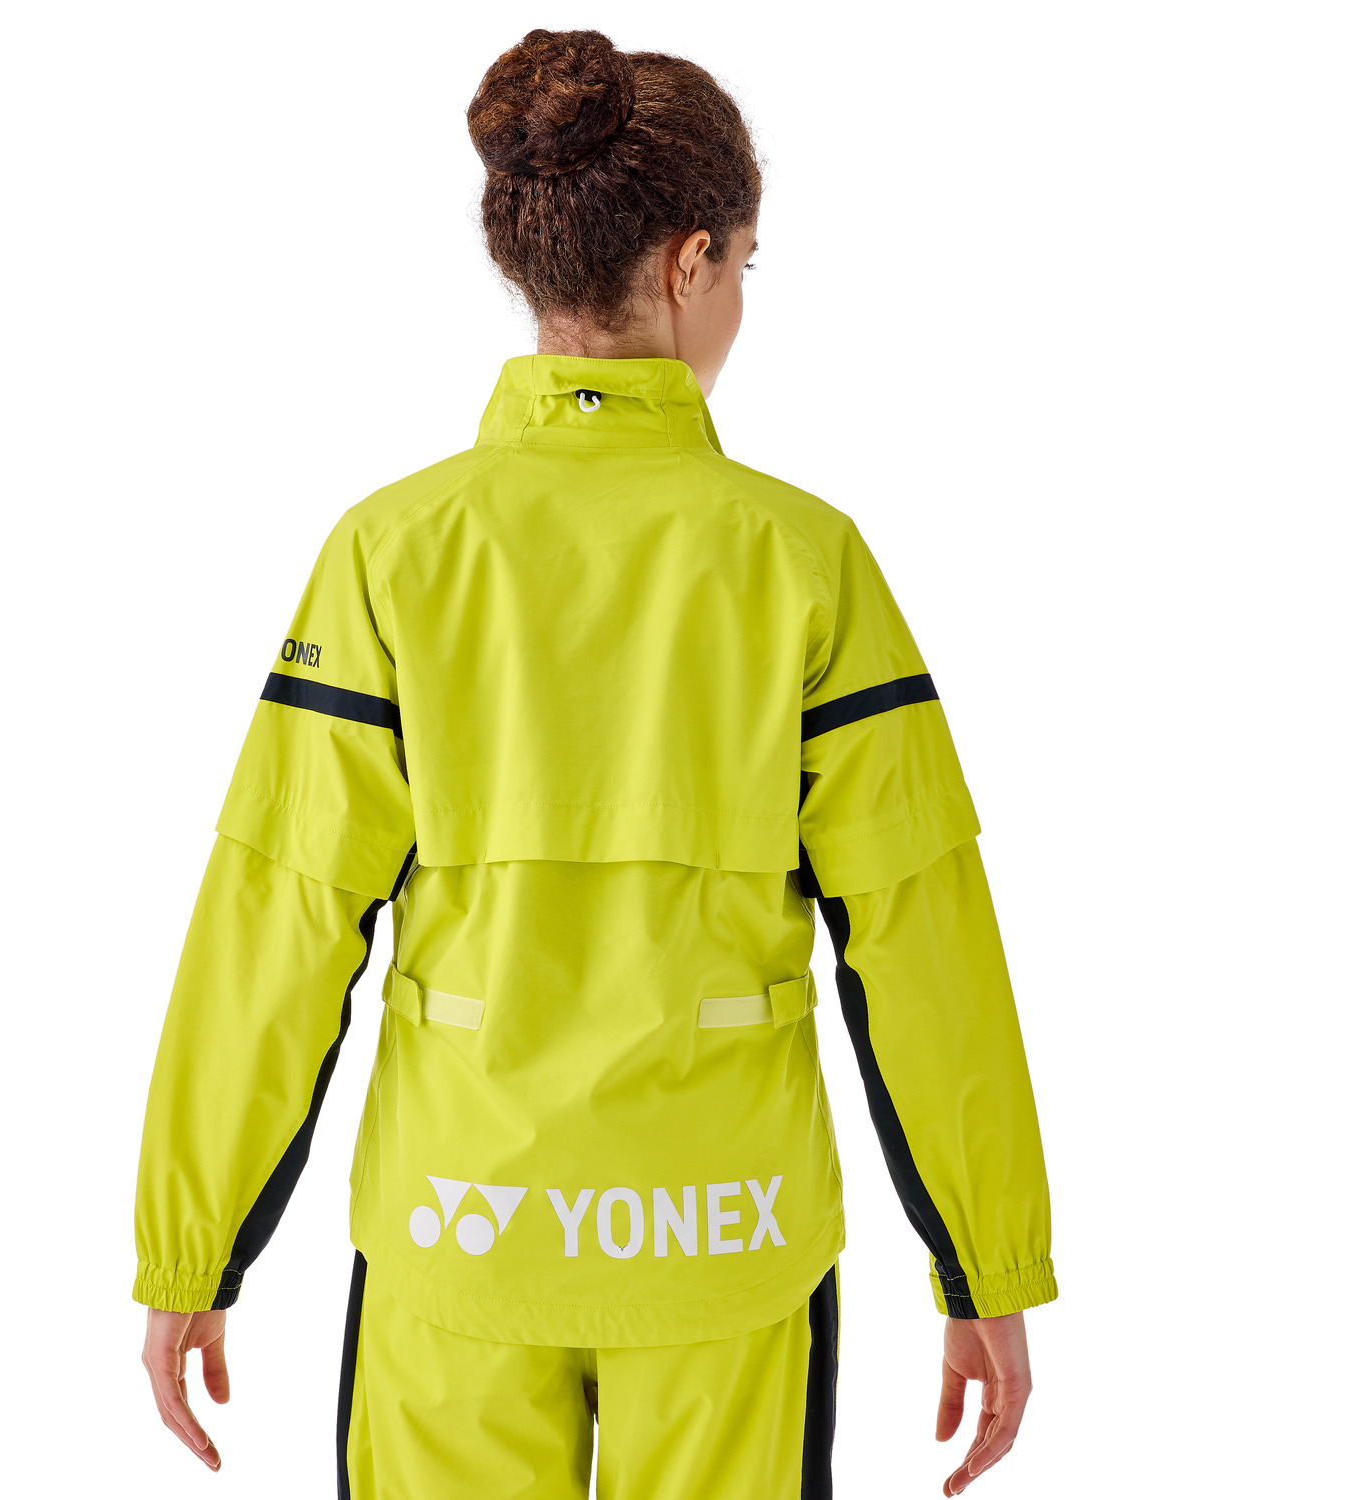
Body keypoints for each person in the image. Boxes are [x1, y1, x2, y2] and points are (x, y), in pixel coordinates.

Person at [133, 28, 1056, 1500]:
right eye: (745, 263)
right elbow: (920, 933)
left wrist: (194, 1255)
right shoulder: (808, 564)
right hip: (726, 1246)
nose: (741, 297)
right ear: (690, 262)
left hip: (458, 1233)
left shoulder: (389, 554)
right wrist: (982, 1268)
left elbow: (280, 910)